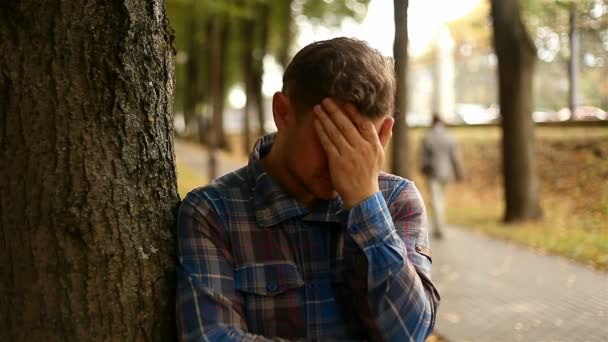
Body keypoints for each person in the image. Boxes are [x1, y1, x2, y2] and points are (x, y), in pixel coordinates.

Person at [176, 37, 440, 341]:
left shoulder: (396, 199)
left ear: (383, 134)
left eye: (359, 145)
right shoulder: (212, 212)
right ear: (283, 112)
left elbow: (411, 333)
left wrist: (366, 203)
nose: (341, 163)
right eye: (329, 139)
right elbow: (211, 336)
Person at [419, 114, 463, 239]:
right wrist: (459, 173)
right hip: (447, 173)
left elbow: (423, 158)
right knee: (441, 199)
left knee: (435, 200)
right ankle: (440, 226)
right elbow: (455, 157)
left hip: (433, 173)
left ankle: (439, 228)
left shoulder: (427, 137)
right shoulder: (450, 137)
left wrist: (423, 170)